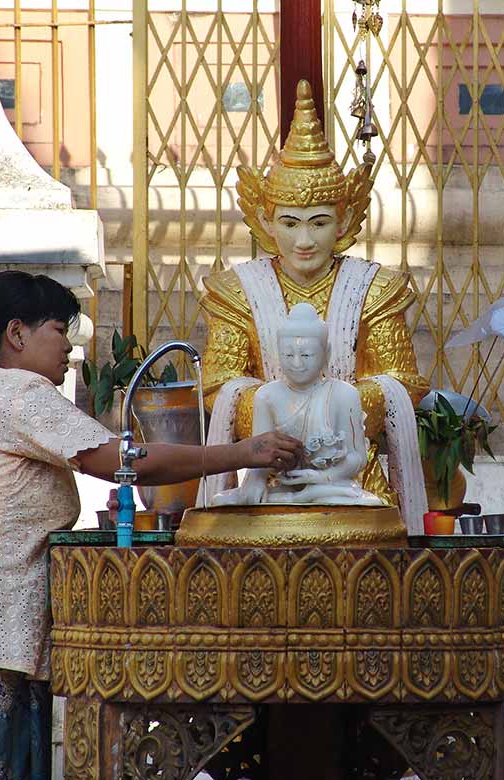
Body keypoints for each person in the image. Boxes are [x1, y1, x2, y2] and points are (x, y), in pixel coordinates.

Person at [0, 270, 303, 780]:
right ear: (17, 335)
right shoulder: (17, 391)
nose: (69, 346)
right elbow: (127, 461)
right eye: (60, 330)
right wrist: (243, 453)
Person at [200, 79, 429, 530]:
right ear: (265, 221)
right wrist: (283, 416)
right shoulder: (237, 291)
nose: (304, 241)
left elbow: (400, 383)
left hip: (353, 479)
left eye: (319, 223)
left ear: (344, 219)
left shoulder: (374, 289)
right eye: (290, 223)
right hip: (267, 472)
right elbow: (220, 385)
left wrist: (330, 412)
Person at [212, 303, 382, 506]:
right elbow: (259, 456)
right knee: (222, 501)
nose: (297, 364)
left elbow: (357, 458)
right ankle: (297, 498)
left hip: (331, 487)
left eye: (307, 355)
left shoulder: (344, 394)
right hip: (281, 488)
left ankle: (302, 498)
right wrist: (255, 479)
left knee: (369, 503)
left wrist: (320, 477)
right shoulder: (267, 396)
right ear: (278, 353)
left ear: (326, 353)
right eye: (288, 355)